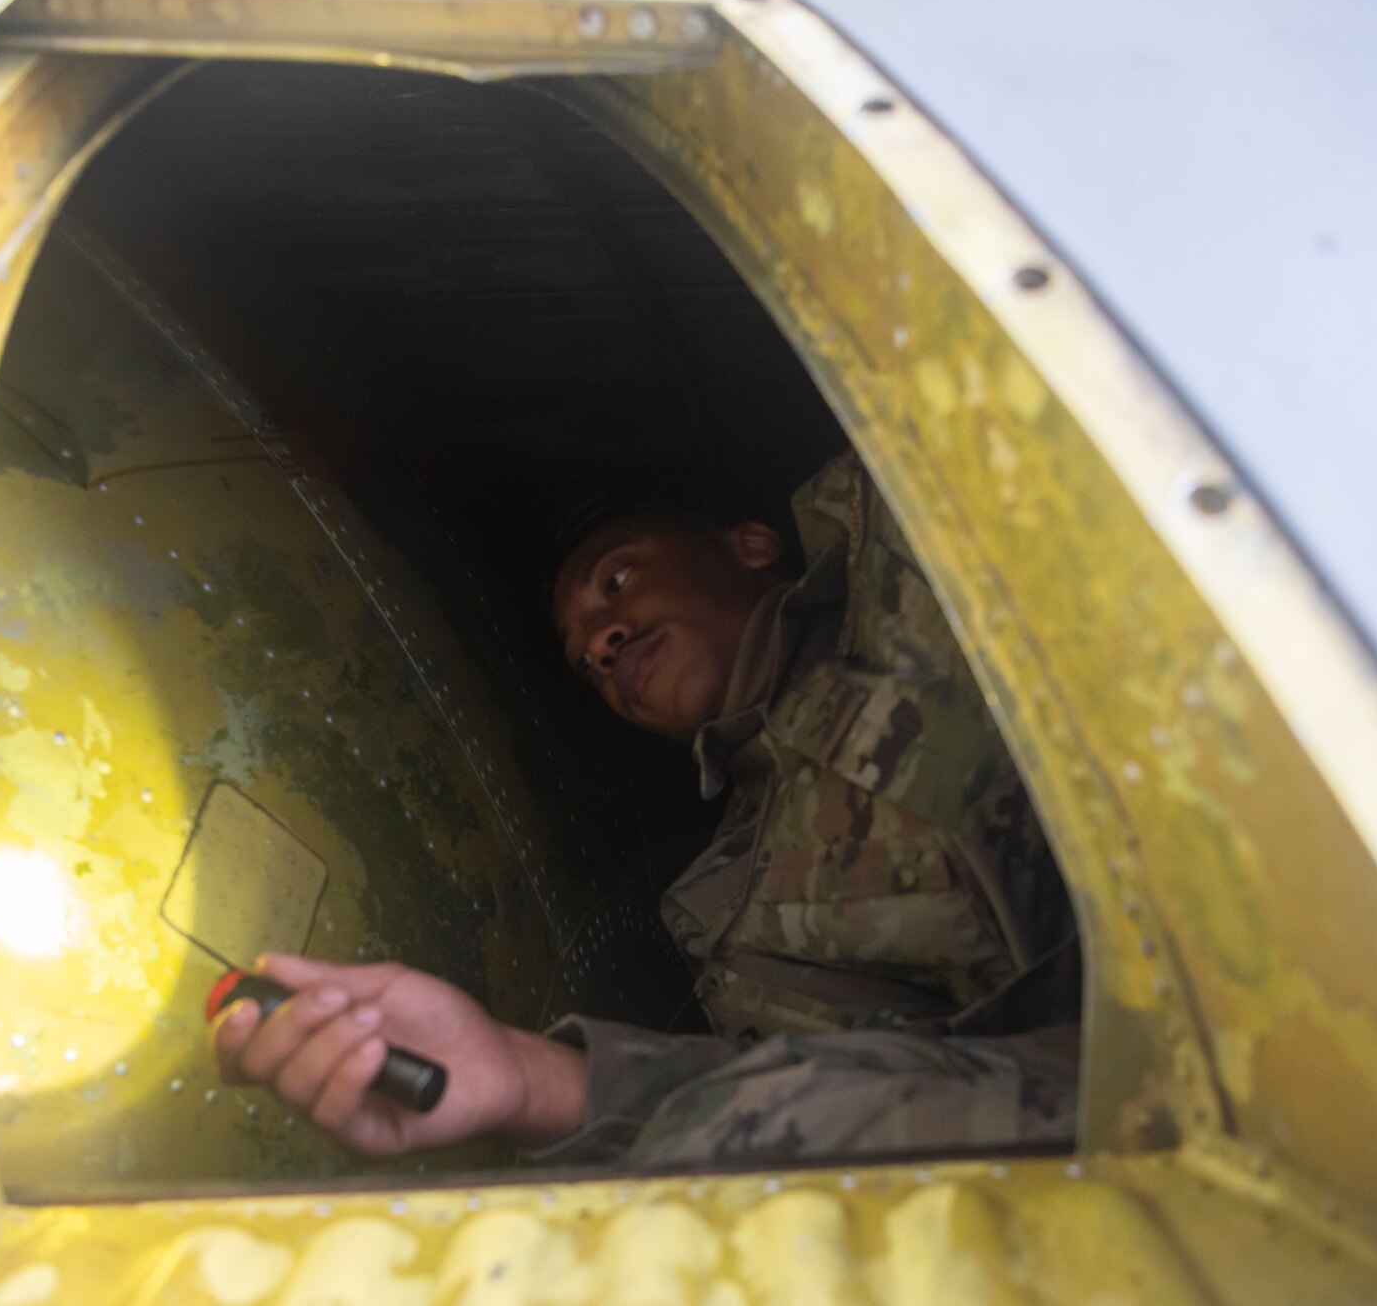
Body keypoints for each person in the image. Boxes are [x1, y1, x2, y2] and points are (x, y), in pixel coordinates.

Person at [213, 450, 1081, 1165]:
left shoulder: (924, 528)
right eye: (586, 662)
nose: (602, 639)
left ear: (749, 544)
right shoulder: (738, 917)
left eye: (617, 579)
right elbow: (826, 1096)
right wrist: (531, 1076)